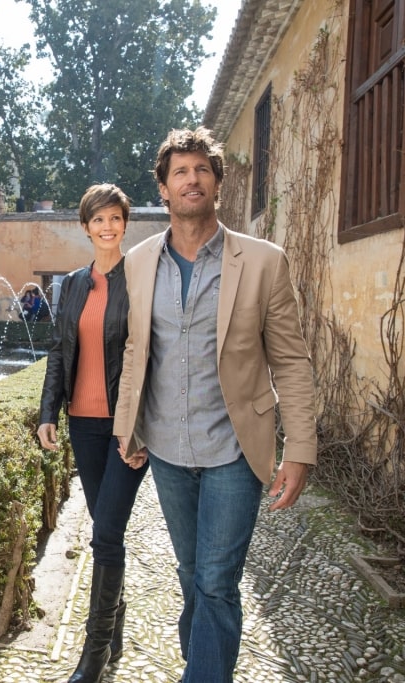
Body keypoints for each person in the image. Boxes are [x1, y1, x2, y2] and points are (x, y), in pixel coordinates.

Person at [114, 127, 317, 683]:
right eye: (180, 171)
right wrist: (125, 426)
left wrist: (299, 448)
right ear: (163, 188)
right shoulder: (138, 263)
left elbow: (292, 362)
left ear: (218, 185)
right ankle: (201, 663)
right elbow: (137, 349)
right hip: (168, 449)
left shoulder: (263, 262)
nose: (192, 179)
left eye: (202, 169)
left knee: (217, 581)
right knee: (189, 573)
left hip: (234, 450)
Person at [37, 184, 148, 683]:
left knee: (105, 532)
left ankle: (95, 654)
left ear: (125, 224)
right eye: (97, 220)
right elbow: (59, 352)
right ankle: (116, 626)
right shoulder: (71, 287)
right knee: (110, 533)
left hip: (124, 429)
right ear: (85, 227)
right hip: (82, 424)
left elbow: (152, 357)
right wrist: (47, 413)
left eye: (114, 218)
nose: (107, 227)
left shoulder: (142, 280)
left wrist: (139, 427)